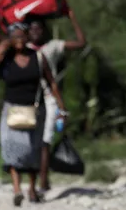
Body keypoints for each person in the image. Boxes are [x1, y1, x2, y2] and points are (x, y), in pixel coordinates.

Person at [0, 22, 67, 206]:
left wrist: (61, 109)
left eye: (22, 36)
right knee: (11, 148)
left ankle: (31, 188)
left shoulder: (38, 57)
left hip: (35, 109)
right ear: (10, 40)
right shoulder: (5, 60)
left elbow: (52, 83)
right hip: (11, 109)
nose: (19, 40)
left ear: (28, 37)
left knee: (32, 150)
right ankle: (16, 189)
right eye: (16, 37)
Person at [28, 11, 87, 193]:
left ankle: (43, 181)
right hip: (27, 99)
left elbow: (80, 43)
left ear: (44, 30)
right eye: (32, 29)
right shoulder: (23, 47)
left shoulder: (53, 46)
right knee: (31, 142)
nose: (36, 32)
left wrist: (72, 17)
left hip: (49, 98)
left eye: (39, 28)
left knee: (46, 141)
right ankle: (34, 182)